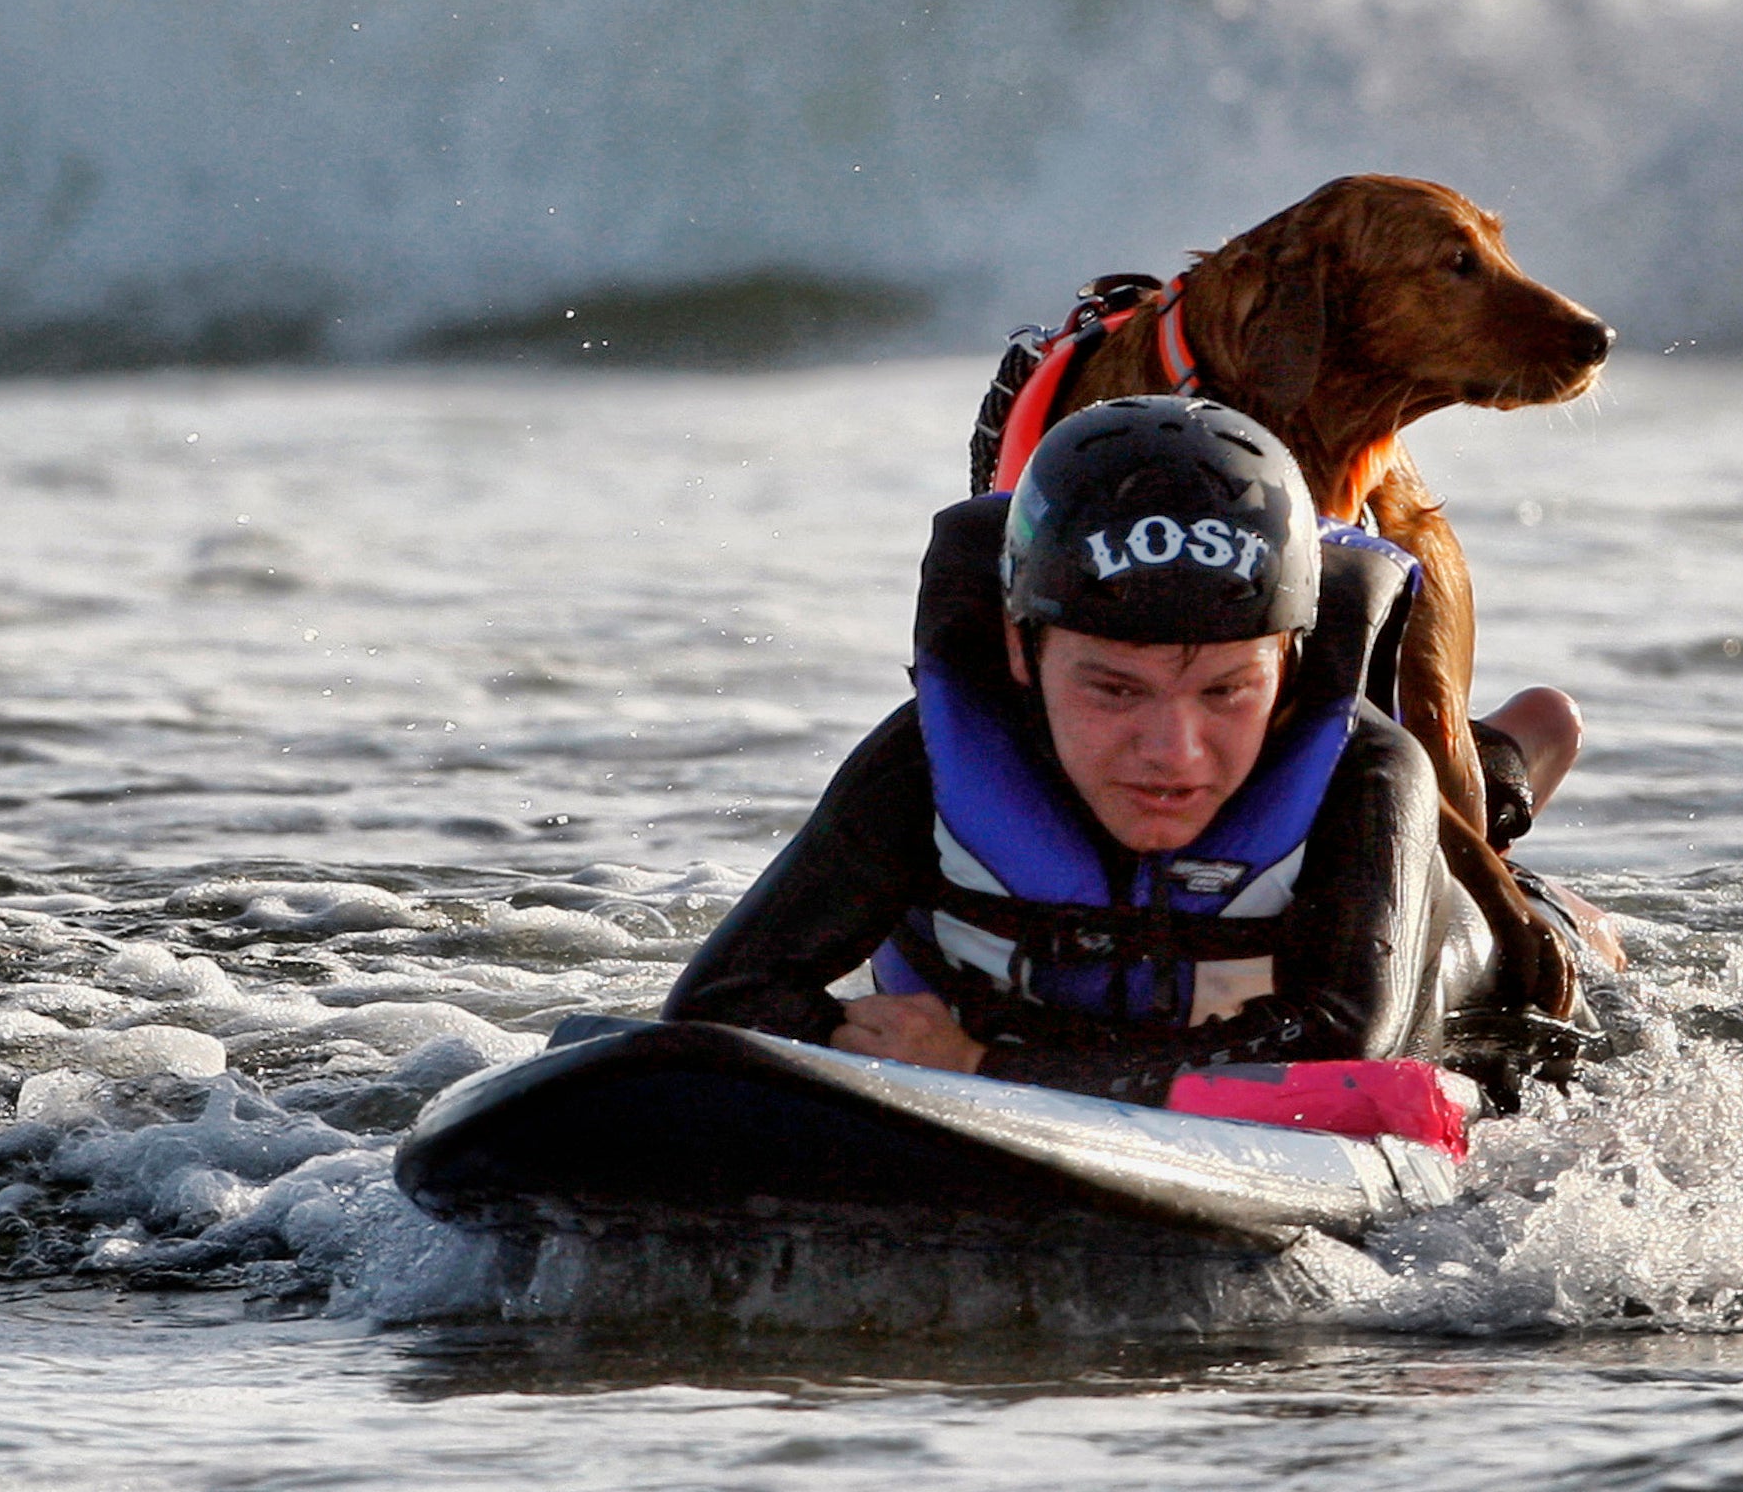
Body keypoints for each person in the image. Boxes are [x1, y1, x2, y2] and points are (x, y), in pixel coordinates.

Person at [663, 395, 1595, 1104]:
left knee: (1532, 927)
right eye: (1113, 688)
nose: (1173, 751)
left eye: (1227, 689)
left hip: (1455, 969)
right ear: (1024, 651)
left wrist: (982, 1064)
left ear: (1292, 660)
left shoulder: (1368, 772)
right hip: (1130, 1032)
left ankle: (1520, 763)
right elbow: (723, 1000)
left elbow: (1343, 1055)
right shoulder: (933, 757)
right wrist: (850, 1042)